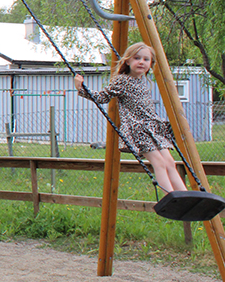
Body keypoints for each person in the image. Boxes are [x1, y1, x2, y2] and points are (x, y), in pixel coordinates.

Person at [74, 42, 188, 193]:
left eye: (146, 59)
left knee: (170, 162)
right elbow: (102, 97)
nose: (141, 62)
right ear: (128, 61)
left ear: (150, 64)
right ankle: (171, 196)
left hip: (153, 127)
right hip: (139, 129)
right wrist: (80, 88)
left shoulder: (142, 82)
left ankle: (185, 196)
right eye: (137, 58)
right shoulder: (122, 80)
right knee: (159, 163)